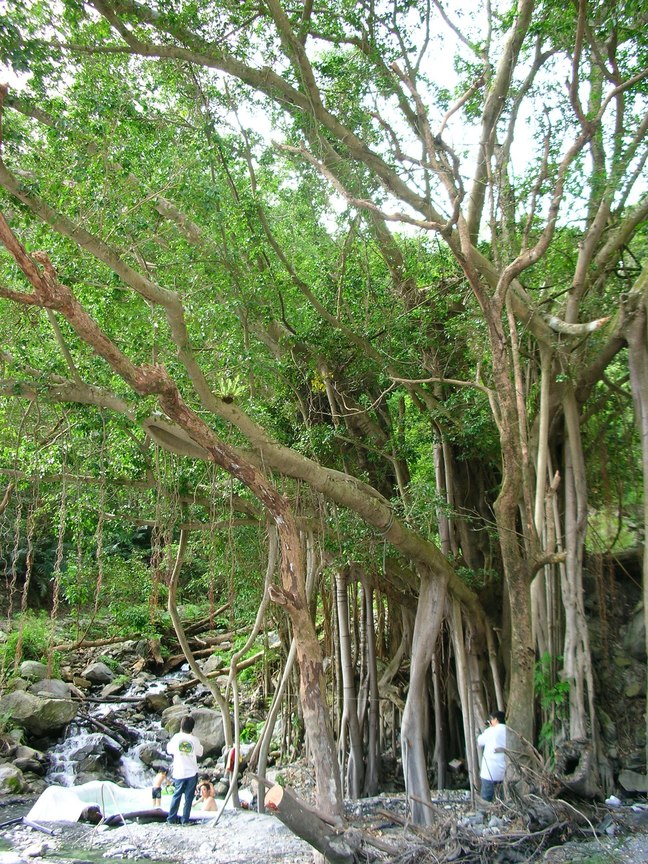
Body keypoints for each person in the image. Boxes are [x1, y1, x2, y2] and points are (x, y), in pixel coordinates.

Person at [166, 715, 204, 824]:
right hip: (191, 772)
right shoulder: (194, 740)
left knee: (176, 796)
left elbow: (169, 750)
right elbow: (200, 752)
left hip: (179, 771)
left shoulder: (176, 738)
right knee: (188, 798)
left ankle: (171, 819)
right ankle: (185, 820)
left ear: (181, 727)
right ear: (192, 728)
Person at [477, 709, 507, 802]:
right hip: (503, 771)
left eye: (492, 719)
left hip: (490, 771)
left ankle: (483, 815)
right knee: (501, 799)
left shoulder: (491, 731)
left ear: (496, 720)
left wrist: (489, 728)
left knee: (486, 798)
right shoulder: (509, 730)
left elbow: (480, 741)